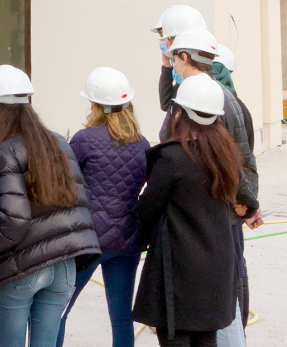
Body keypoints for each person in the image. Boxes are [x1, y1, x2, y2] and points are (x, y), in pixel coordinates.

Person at [0, 65, 100, 347]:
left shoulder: (5, 151)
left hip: (22, 267)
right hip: (64, 265)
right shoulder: (59, 143)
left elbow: (14, 221)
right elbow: (78, 204)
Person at [133, 74, 242, 347]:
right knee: (207, 339)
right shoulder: (225, 154)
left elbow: (148, 208)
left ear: (181, 112)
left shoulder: (172, 158)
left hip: (179, 273)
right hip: (217, 266)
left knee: (175, 339)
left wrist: (136, 241)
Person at [165, 30, 259, 347]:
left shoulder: (204, 99)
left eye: (172, 53)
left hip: (214, 217)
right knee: (222, 294)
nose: (170, 59)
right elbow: (238, 161)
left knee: (224, 298)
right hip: (224, 212)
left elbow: (235, 161)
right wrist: (247, 201)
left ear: (185, 57)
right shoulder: (222, 98)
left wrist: (244, 202)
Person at [57, 68, 149, 347]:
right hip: (128, 240)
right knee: (122, 318)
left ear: (95, 105)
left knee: (58, 311)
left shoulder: (84, 139)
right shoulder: (142, 143)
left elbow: (68, 184)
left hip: (88, 240)